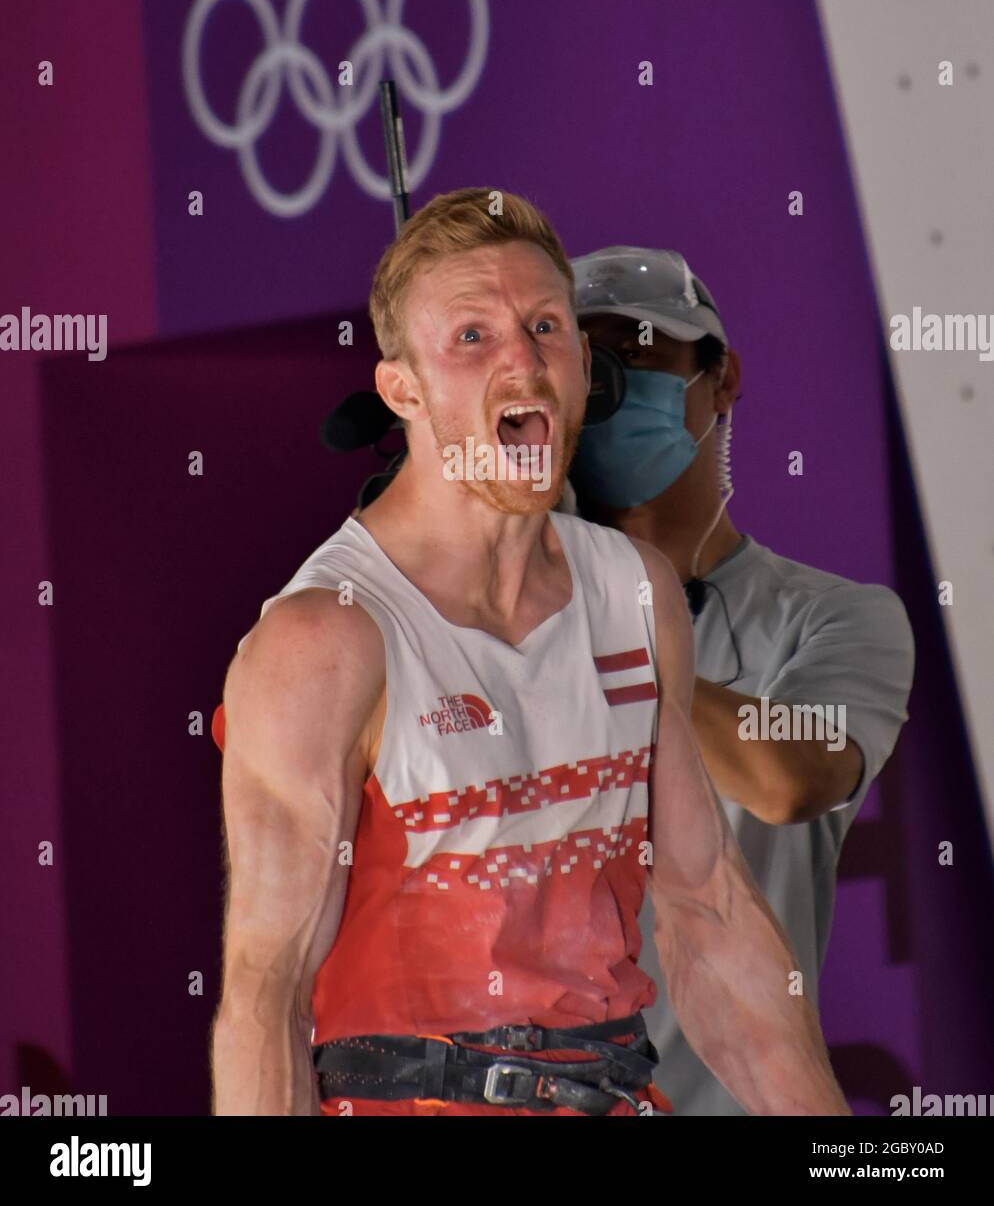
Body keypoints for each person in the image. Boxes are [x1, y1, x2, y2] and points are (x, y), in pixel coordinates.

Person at [209, 190, 852, 1117]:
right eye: (471, 336)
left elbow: (709, 916)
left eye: (545, 326)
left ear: (586, 367)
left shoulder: (634, 594)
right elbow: (264, 991)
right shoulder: (329, 637)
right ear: (404, 391)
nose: (523, 360)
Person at [566, 245, 915, 1115]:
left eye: (639, 357)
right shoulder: (500, 618)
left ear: (721, 381)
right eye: (587, 369)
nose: (610, 392)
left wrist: (589, 618)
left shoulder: (835, 618)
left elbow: (790, 780)